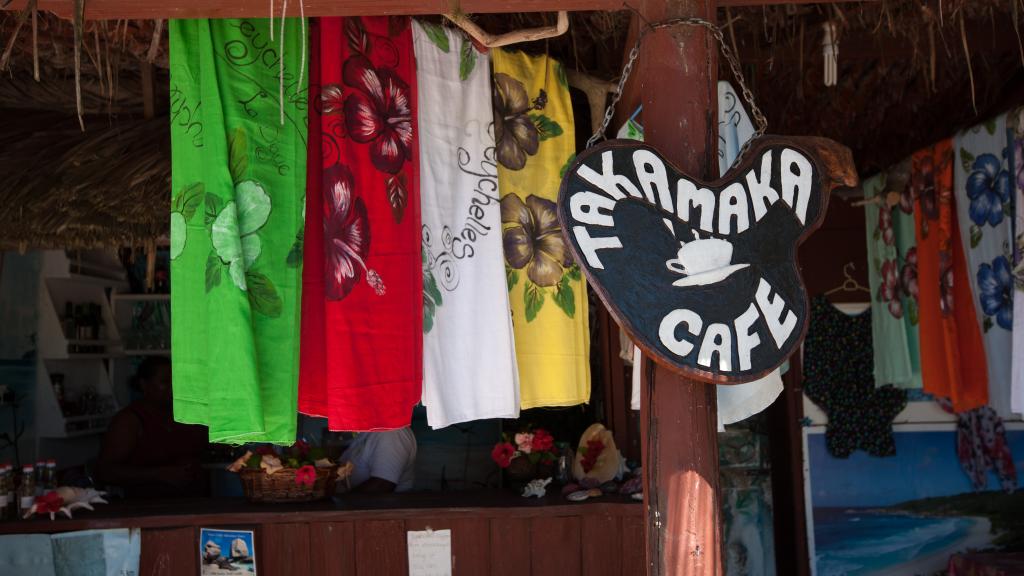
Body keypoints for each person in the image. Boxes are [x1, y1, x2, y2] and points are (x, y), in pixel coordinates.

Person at [96, 356, 208, 497]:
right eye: (165, 382)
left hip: (196, 500)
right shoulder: (130, 421)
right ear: (144, 384)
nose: (174, 387)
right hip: (149, 504)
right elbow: (105, 472)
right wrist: (159, 474)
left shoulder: (186, 415)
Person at [340, 428, 417, 493]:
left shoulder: (391, 433)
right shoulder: (371, 430)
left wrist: (343, 501)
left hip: (378, 506)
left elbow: (382, 485)